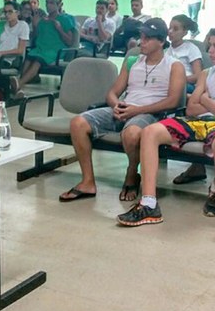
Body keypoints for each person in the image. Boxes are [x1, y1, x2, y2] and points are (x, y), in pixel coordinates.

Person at [117, 26, 215, 225]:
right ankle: (148, 203)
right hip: (197, 122)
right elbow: (190, 108)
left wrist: (206, 101)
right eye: (210, 45)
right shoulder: (206, 73)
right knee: (150, 132)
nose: (210, 51)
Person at [59, 18, 185, 203]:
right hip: (124, 109)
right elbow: (112, 92)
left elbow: (173, 101)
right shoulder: (133, 61)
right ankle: (87, 182)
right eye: (141, 37)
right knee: (78, 123)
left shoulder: (174, 66)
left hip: (150, 113)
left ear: (161, 42)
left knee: (132, 134)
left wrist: (137, 110)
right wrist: (115, 105)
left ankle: (132, 173)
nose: (142, 41)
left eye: (147, 38)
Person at [12, 0, 76, 95]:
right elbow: (36, 37)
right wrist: (36, 25)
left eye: (51, 3)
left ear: (59, 4)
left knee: (37, 61)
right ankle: (19, 87)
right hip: (40, 48)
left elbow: (70, 42)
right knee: (28, 59)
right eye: (47, 2)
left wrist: (59, 29)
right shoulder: (42, 20)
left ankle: (18, 84)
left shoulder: (65, 19)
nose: (48, 6)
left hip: (55, 50)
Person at [166, 14, 202, 93]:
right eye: (170, 28)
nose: (170, 31)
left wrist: (177, 80)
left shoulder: (191, 48)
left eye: (175, 29)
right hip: (167, 83)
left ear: (184, 32)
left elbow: (198, 76)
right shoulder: (166, 50)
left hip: (186, 84)